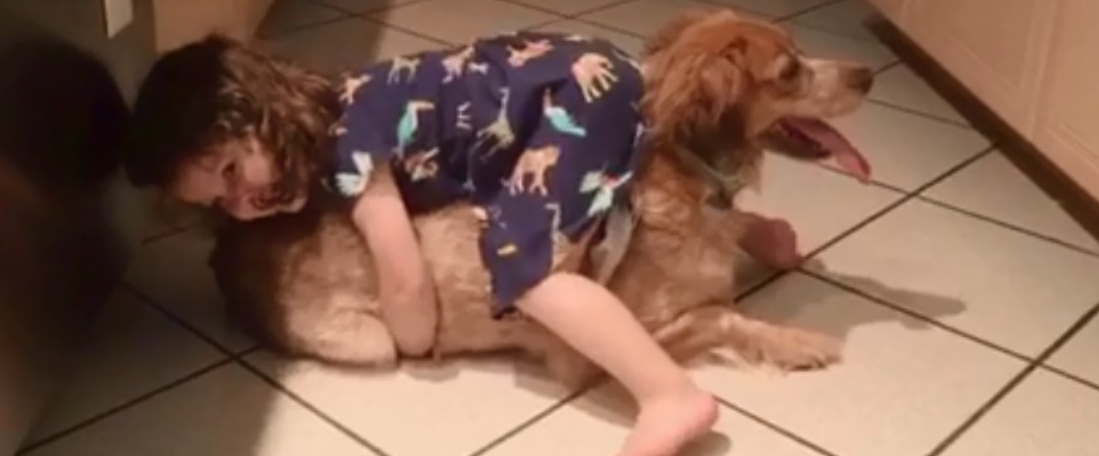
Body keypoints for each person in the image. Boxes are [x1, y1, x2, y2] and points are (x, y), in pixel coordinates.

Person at [125, 32, 717, 456]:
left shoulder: (347, 149)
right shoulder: (340, 100)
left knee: (524, 266)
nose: (241, 204)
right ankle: (756, 234)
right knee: (611, 190)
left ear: (260, 113)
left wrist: (412, 339)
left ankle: (668, 395)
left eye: (231, 172)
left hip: (571, 98)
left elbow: (402, 268)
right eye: (217, 203)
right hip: (580, 69)